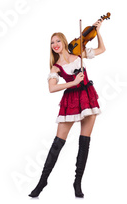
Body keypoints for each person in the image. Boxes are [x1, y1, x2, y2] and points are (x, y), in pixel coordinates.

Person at [29, 19, 105, 198]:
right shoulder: (56, 67)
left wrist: (98, 31)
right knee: (57, 143)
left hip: (88, 97)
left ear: (64, 42)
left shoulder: (79, 54)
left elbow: (102, 49)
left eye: (57, 41)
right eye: (52, 43)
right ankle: (42, 182)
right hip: (71, 100)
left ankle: (77, 183)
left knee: (84, 142)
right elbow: (51, 88)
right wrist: (73, 82)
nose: (55, 45)